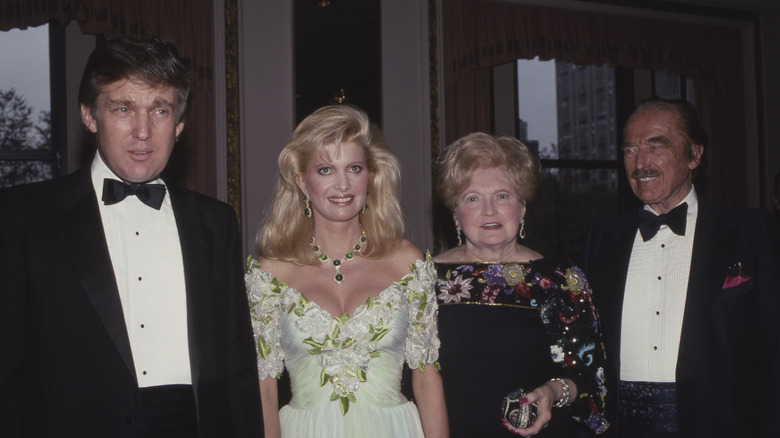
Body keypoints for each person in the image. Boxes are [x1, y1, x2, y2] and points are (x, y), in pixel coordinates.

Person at [0, 35, 264, 437]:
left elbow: (237, 369)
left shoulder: (216, 222)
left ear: (179, 123)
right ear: (90, 116)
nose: (143, 131)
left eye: (159, 110)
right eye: (123, 108)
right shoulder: (21, 217)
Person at [245, 104, 448, 438]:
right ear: (302, 181)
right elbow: (263, 387)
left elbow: (426, 377)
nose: (343, 184)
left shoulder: (408, 262)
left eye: (354, 168)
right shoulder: (270, 274)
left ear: (370, 176)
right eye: (325, 170)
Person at [582, 97, 780, 437]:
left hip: (721, 424)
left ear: (694, 155)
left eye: (656, 147)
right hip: (620, 426)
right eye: (630, 150)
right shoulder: (601, 238)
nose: (640, 163)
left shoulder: (753, 232)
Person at [433, 132, 610, 437]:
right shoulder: (425, 279)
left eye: (502, 195)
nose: (489, 210)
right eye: (472, 198)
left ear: (523, 207)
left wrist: (553, 392)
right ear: (455, 214)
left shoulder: (559, 278)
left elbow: (592, 381)